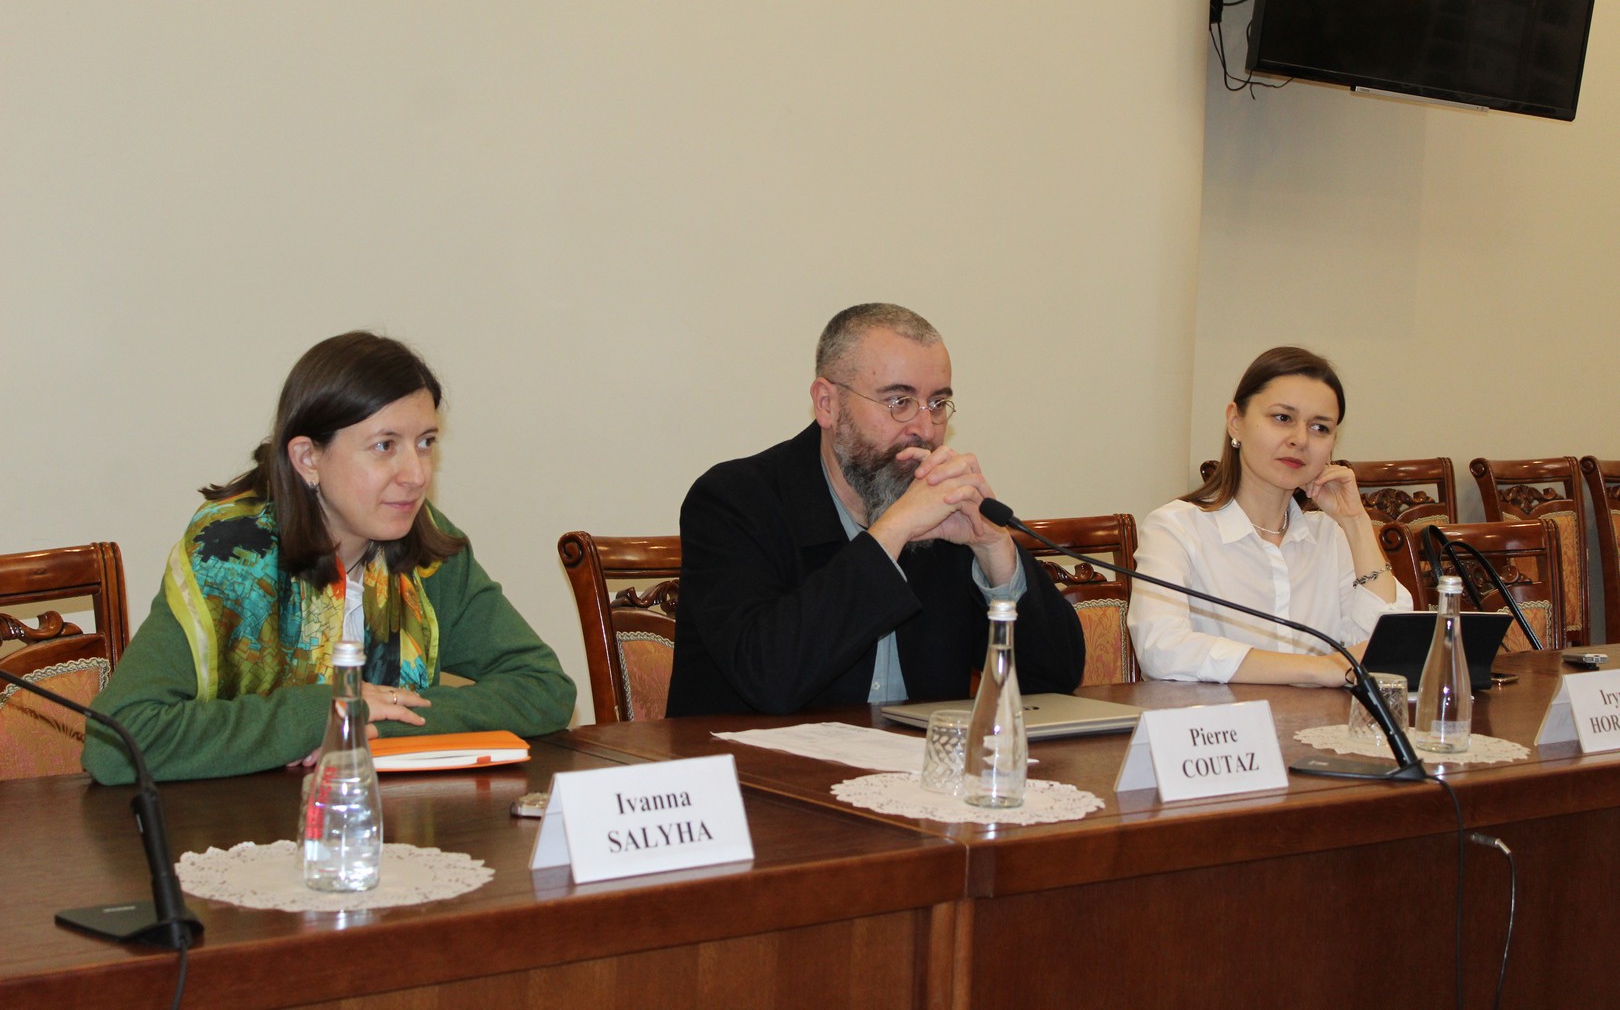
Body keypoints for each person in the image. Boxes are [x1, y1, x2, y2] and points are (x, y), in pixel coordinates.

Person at [83, 332, 576, 783]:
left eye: (425, 443)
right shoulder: (230, 558)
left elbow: (543, 689)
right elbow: (117, 742)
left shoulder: (426, 545)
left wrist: (370, 722)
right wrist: (317, 714)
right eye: (384, 446)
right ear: (308, 458)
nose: (416, 474)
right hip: (238, 830)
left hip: (388, 820)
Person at [666, 303, 1085, 716]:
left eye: (937, 404)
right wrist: (893, 531)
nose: (925, 429)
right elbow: (769, 678)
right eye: (899, 401)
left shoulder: (944, 512)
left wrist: (994, 548)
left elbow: (1053, 681)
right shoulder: (734, 501)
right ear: (827, 404)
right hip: (756, 758)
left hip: (916, 759)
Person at [1128, 346, 1412, 686]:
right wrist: (1319, 668)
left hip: (1320, 718)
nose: (1300, 440)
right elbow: (1161, 649)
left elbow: (1390, 651)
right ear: (1236, 422)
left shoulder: (1330, 535)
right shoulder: (1176, 528)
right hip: (1222, 720)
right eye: (1282, 418)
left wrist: (1355, 522)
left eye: (1320, 427)